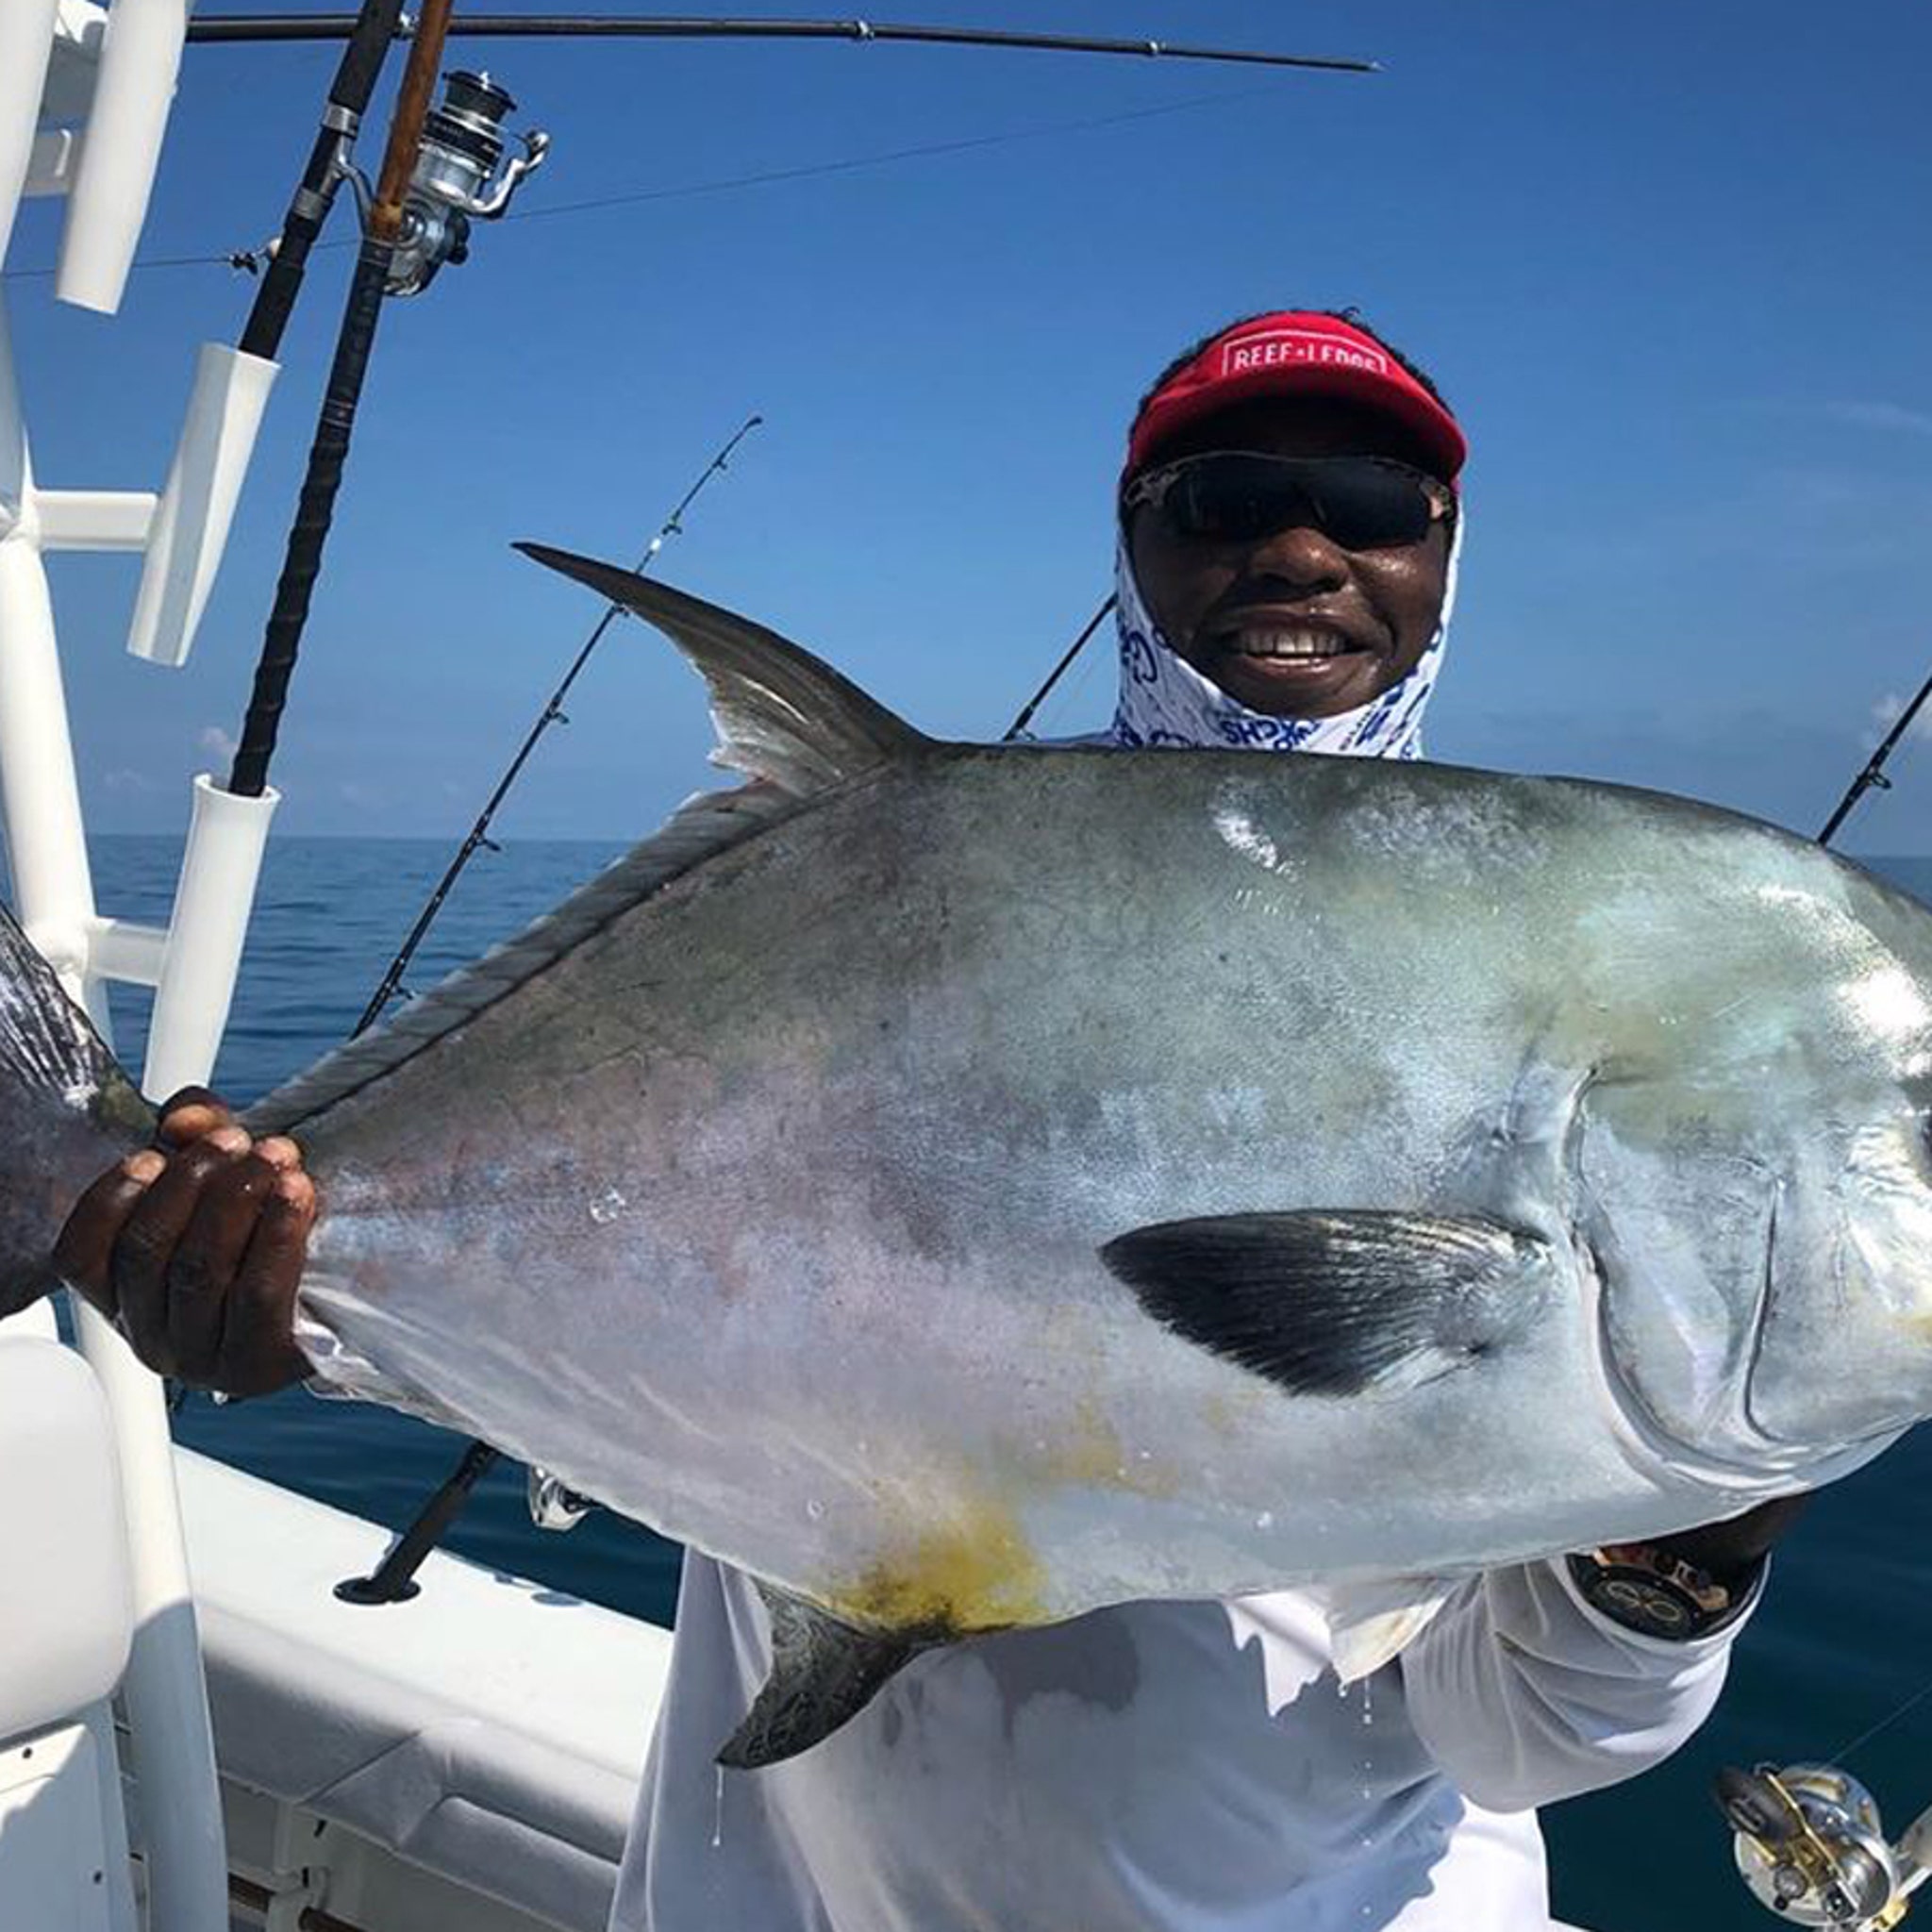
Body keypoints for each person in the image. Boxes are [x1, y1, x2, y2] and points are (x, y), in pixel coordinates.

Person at [57, 308, 1801, 1930]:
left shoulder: (1567, 984)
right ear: (1131, 537)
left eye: (1369, 500)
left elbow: (1523, 1741)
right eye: (1226, 499)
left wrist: (1682, 1550)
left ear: (1439, 555)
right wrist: (315, 1289)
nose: (1298, 548)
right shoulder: (891, 897)